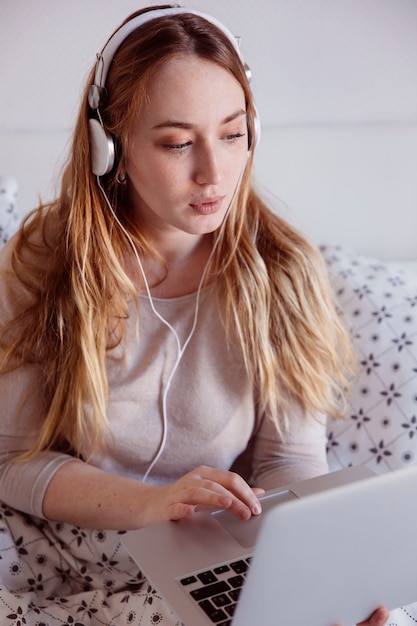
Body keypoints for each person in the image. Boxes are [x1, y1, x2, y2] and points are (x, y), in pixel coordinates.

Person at [0, 5, 390, 625]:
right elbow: (14, 462)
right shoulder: (44, 262)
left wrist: (322, 579)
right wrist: (157, 504)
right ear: (111, 148)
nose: (214, 173)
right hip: (76, 533)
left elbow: (289, 465)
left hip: (213, 549)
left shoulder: (283, 268)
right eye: (178, 143)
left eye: (232, 134)